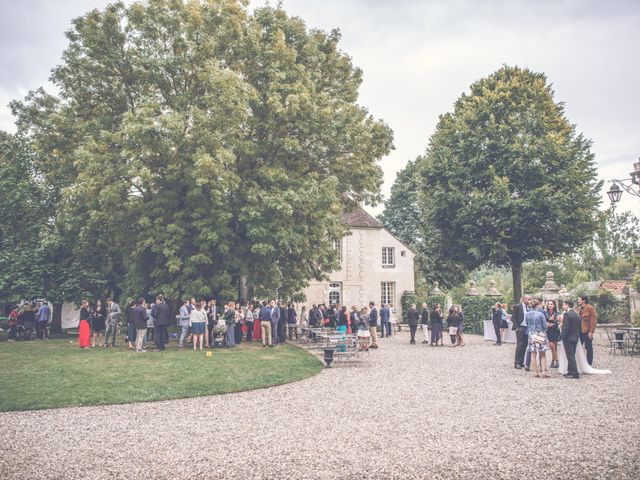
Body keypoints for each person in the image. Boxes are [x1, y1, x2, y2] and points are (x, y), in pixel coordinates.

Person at [526, 298, 549, 378]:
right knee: (542, 354)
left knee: (533, 354)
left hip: (532, 334)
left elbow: (527, 324)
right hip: (540, 333)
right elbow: (545, 326)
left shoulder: (527, 314)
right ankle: (544, 372)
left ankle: (535, 372)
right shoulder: (540, 314)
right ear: (538, 305)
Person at [560, 299, 581, 379]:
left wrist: (562, 337)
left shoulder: (567, 315)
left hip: (568, 338)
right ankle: (570, 372)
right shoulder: (576, 315)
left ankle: (575, 373)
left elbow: (565, 328)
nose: (563, 306)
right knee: (572, 355)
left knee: (570, 356)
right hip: (575, 337)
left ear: (567, 305)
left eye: (564, 304)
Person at [511, 295, 531, 369]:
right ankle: (516, 363)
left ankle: (521, 361)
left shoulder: (529, 307)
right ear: (523, 299)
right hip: (520, 327)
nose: (530, 300)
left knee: (525, 345)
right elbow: (513, 317)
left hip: (527, 328)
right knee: (520, 345)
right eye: (528, 299)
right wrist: (516, 328)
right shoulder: (517, 306)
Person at [578, 295, 597, 366]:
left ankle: (589, 363)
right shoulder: (580, 309)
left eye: (579, 300)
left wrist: (591, 332)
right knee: (579, 346)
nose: (578, 301)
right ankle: (581, 362)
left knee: (588, 347)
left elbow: (593, 321)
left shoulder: (590, 308)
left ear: (584, 300)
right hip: (580, 331)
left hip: (586, 331)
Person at [545, 300, 561, 368]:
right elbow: (544, 321)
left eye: (551, 304)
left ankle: (553, 361)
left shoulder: (557, 313)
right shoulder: (545, 313)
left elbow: (558, 322)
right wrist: (547, 324)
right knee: (552, 346)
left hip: (555, 330)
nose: (550, 305)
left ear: (554, 305)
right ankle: (556, 360)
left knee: (555, 347)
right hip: (548, 331)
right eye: (548, 304)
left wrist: (552, 324)